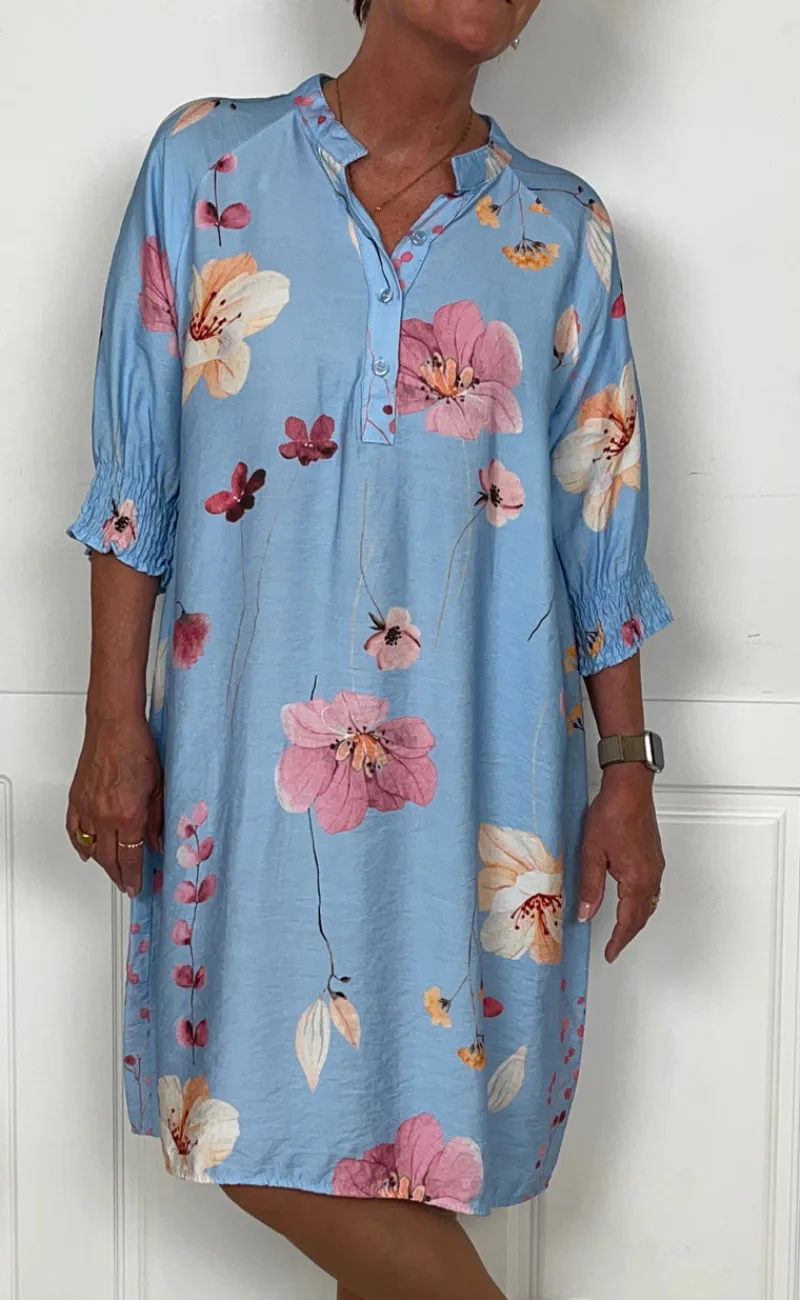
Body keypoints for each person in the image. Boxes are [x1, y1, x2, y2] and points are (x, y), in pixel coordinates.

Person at [65, 0, 672, 1296]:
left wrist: (627, 769)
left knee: (405, 1154)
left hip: (484, 774)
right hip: (252, 758)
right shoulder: (206, 167)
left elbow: (600, 525)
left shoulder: (562, 231)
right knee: (249, 1121)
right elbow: (136, 481)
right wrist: (113, 721)